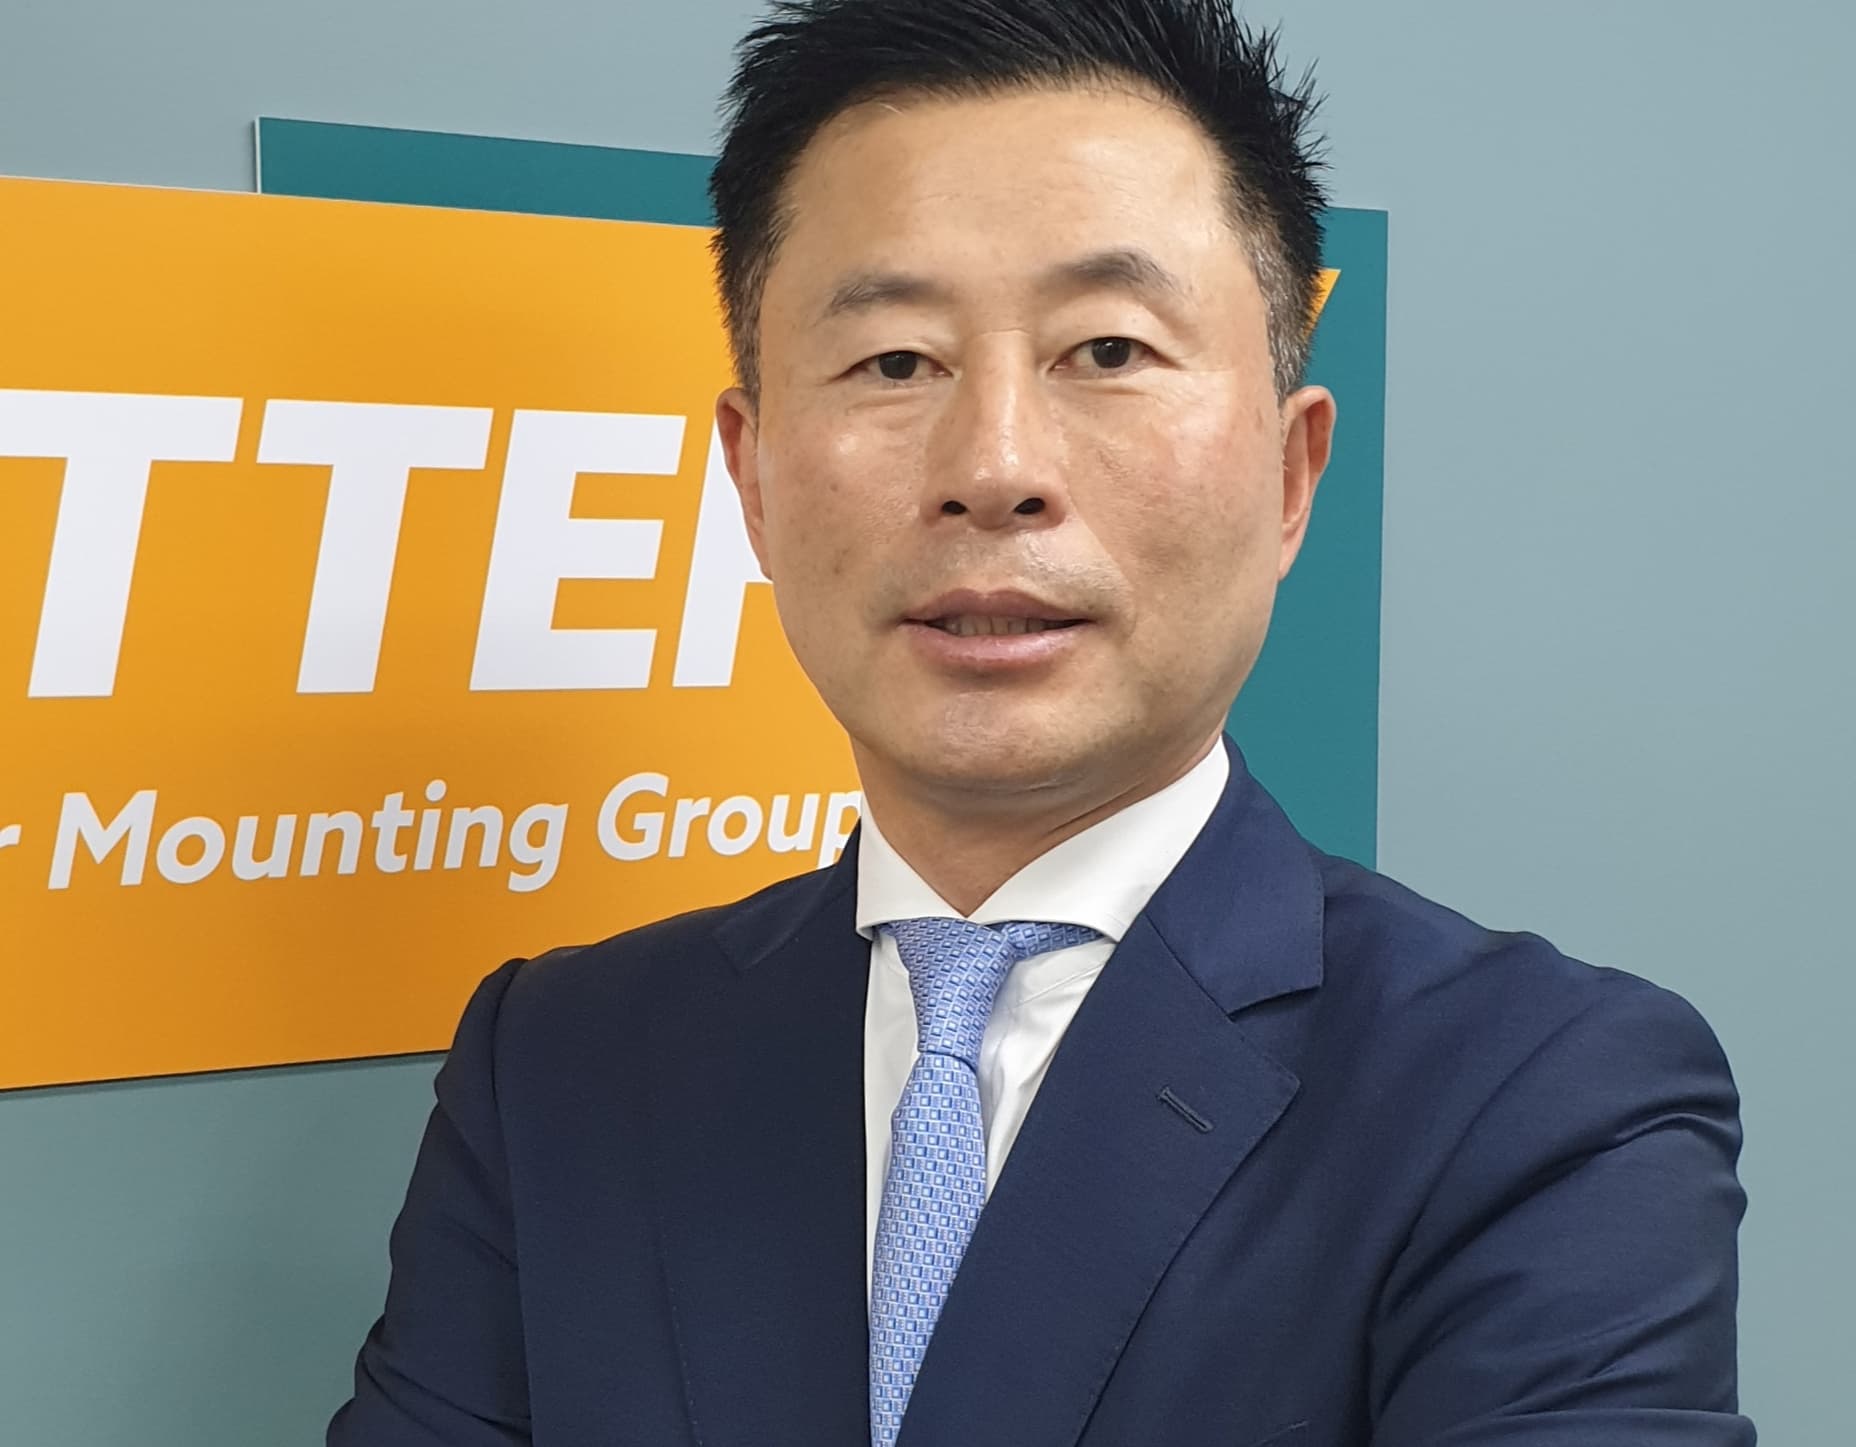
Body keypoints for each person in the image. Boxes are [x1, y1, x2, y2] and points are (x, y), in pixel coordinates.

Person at [327, 1, 1753, 1443]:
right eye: (894, 362)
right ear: (751, 482)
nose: (993, 469)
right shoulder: (564, 1064)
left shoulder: (1544, 1102)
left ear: (1289, 473)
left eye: (1110, 351)